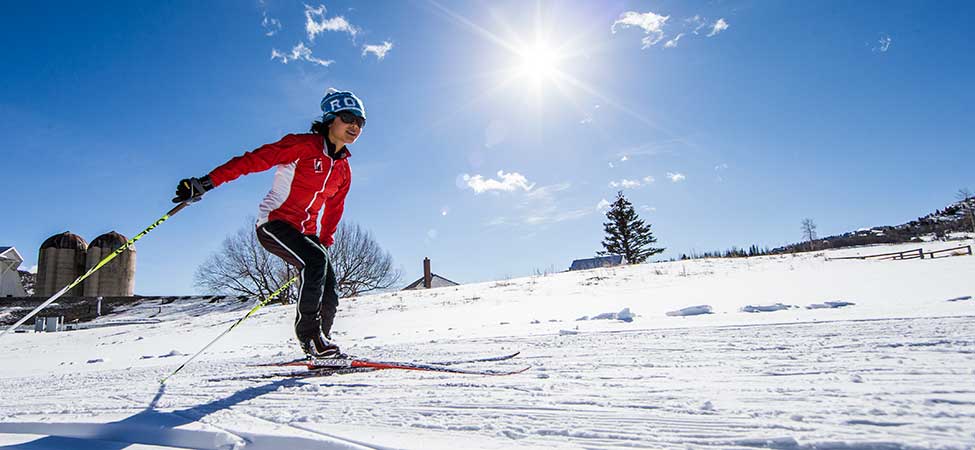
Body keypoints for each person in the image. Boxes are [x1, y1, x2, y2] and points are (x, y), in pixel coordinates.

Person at [172, 88, 365, 358]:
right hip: (275, 223)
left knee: (330, 287)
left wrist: (326, 241)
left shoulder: (344, 169)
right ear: (330, 119)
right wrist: (206, 183)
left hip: (307, 233)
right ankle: (310, 339)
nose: (354, 125)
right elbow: (252, 160)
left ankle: (321, 343)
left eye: (360, 121)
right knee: (315, 262)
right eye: (348, 117)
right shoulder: (302, 145)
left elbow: (335, 208)